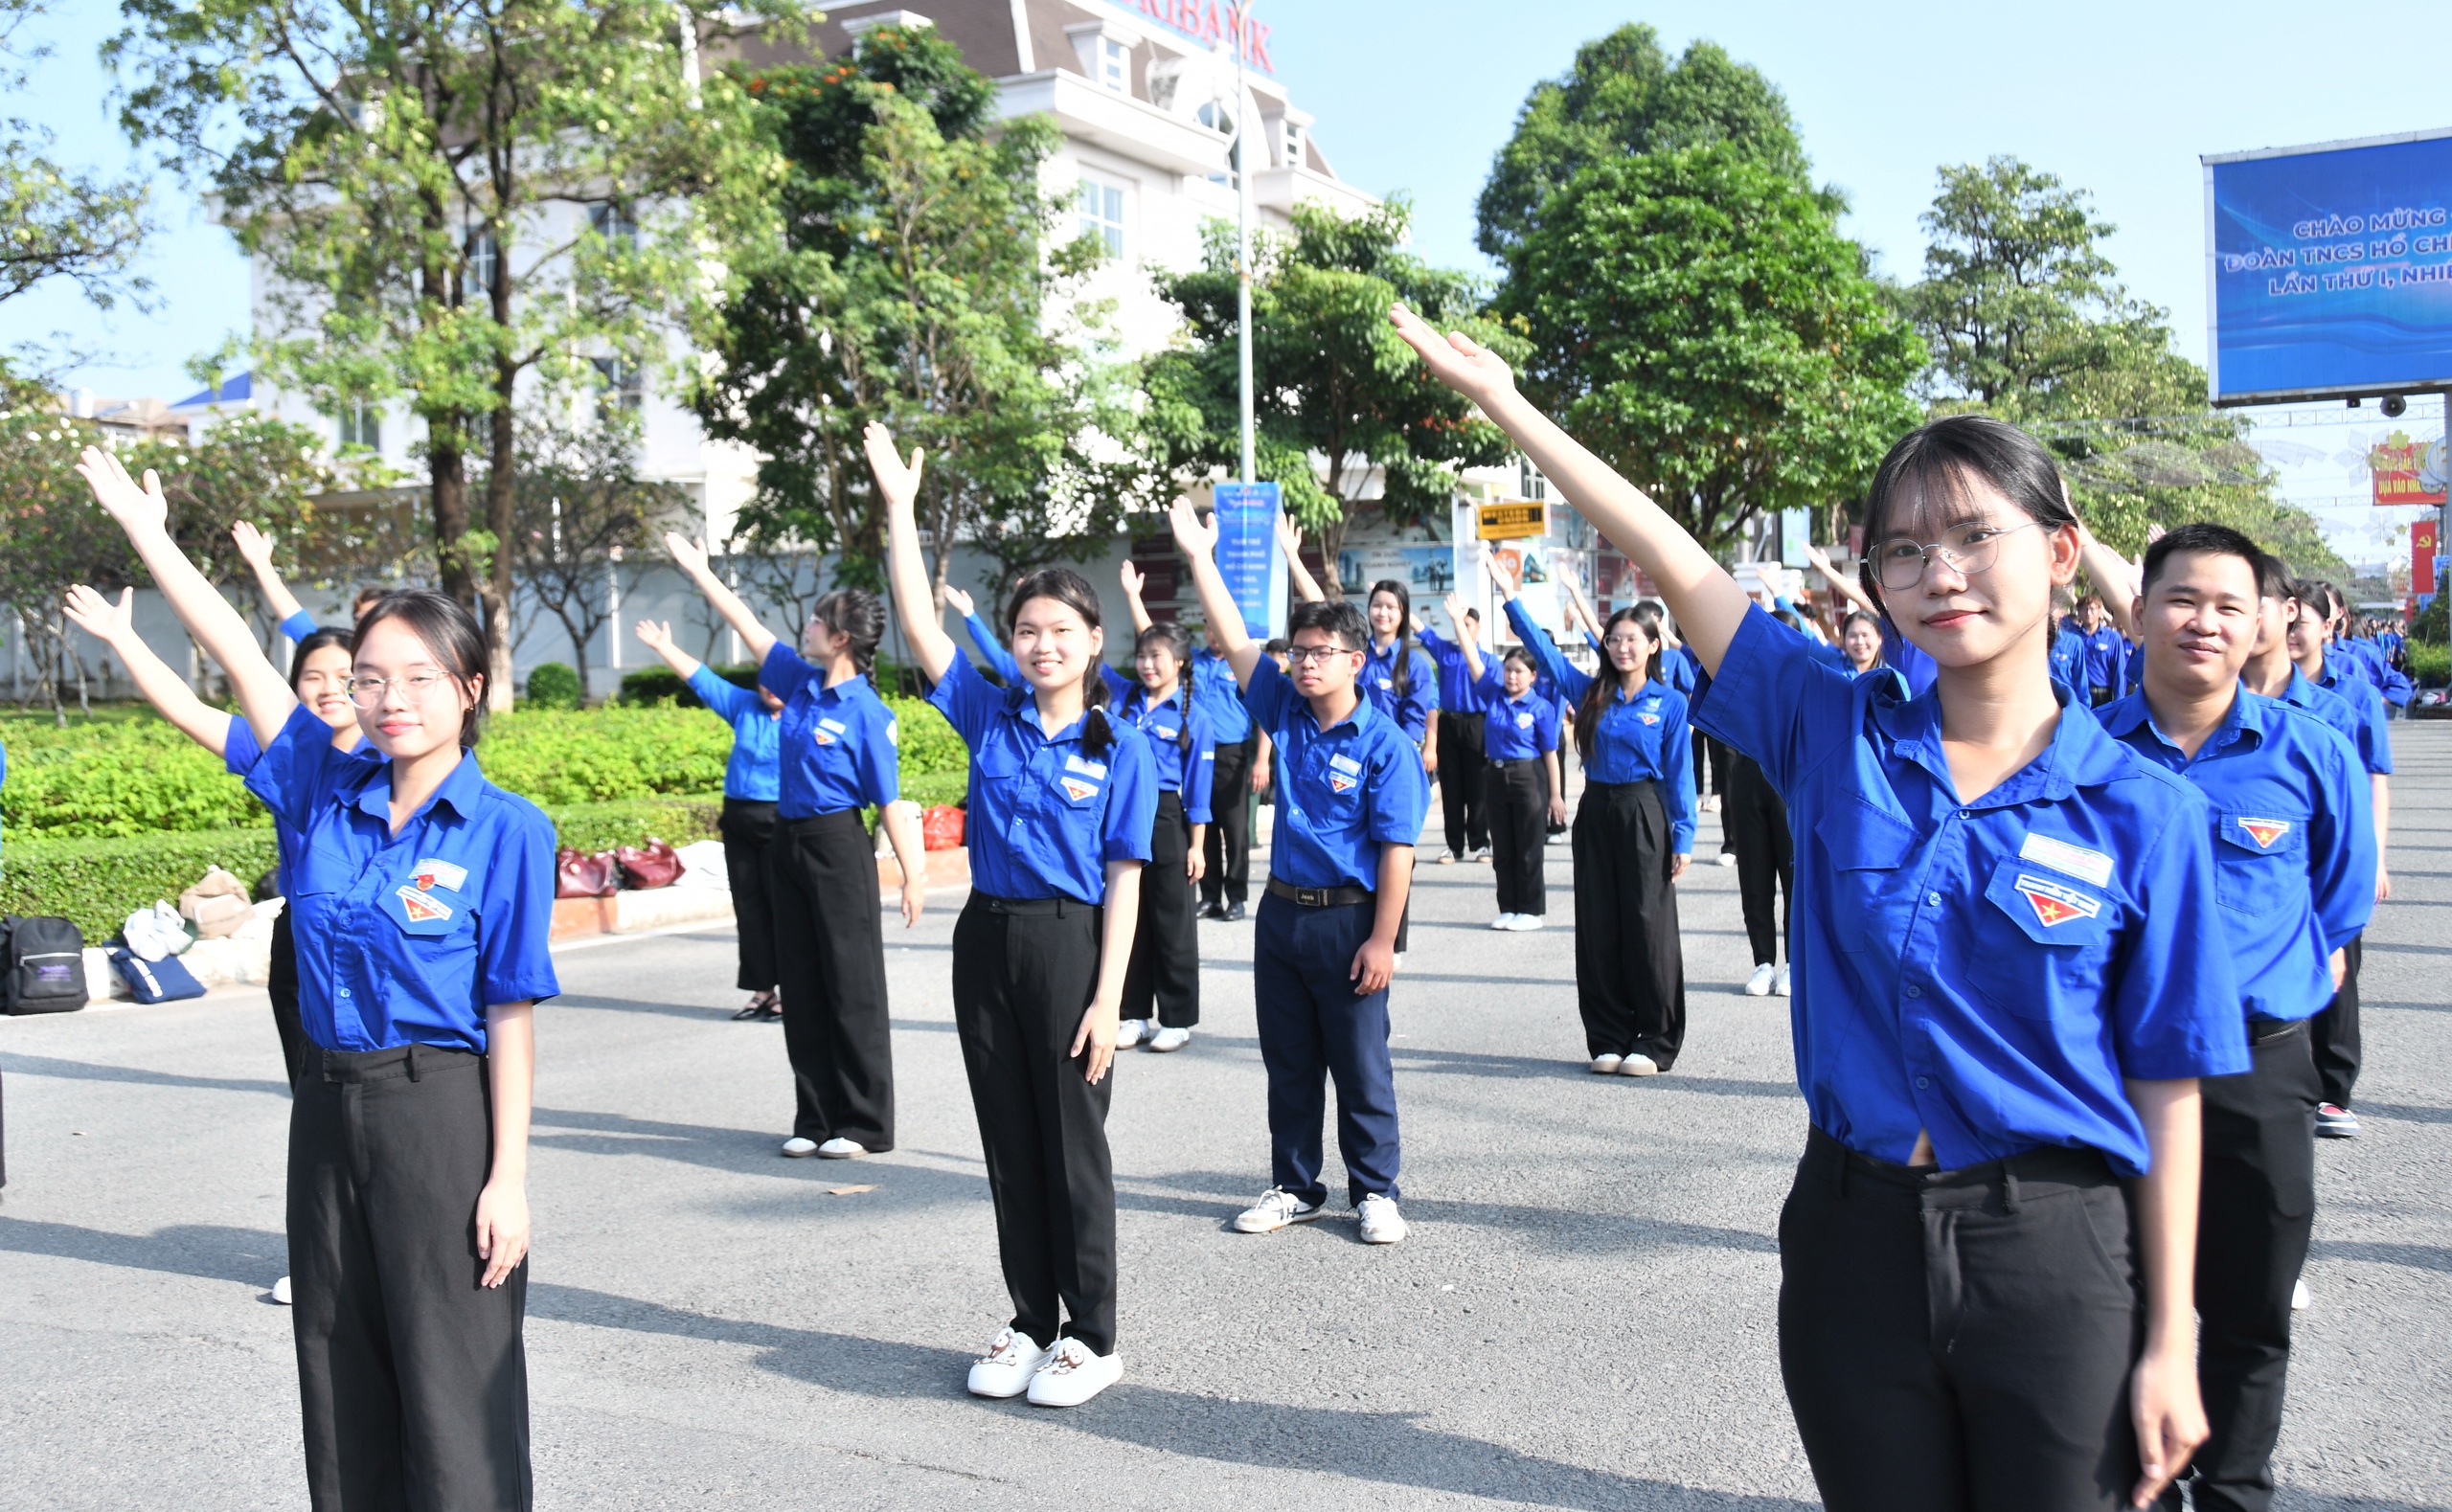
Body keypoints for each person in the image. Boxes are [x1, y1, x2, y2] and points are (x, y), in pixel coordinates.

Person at [1395, 310, 2243, 1512]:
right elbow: (1679, 561)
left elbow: (2170, 1082)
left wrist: (2170, 1336)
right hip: (1855, 1240)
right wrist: (1507, 406)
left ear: (2061, 554)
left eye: (1970, 535)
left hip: (2054, 1251)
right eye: (1902, 551)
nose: (1938, 573)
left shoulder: (2143, 811)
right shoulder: (1829, 728)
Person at [79, 447, 555, 1511]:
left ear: (469, 689)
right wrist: (150, 536)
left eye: (420, 678)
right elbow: (238, 650)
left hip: (441, 1112)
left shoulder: (507, 828)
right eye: (370, 678)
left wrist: (507, 1178)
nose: (390, 699)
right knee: (340, 1370)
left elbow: (509, 1007)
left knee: (455, 1377)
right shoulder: (317, 788)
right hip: (327, 1112)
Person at [868, 424, 1153, 1408]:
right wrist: (901, 507)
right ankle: (1032, 1318)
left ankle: (1094, 1334)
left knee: (1073, 1142)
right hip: (984, 937)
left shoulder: (1121, 744)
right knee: (1008, 1137)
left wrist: (1110, 997)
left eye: (1060, 631)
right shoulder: (989, 714)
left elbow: (1124, 877)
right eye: (1027, 630)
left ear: (1092, 643)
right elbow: (917, 625)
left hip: (1071, 943)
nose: (1041, 644)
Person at [2091, 526, 2373, 1512]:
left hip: (2261, 1067)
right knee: (2114, 1299)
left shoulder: (2310, 751)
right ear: (2136, 613)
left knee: (2252, 1309)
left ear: (2266, 621)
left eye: (2226, 604)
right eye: (2179, 599)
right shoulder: (2082, 749)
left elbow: (2338, 904)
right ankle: (2139, 1490)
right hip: (2117, 1072)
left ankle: (2235, 1490)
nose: (2202, 621)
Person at [62, 576, 363, 1309]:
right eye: (312, 676)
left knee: (386, 1110)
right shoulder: (291, 756)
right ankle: (328, 1263)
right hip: (306, 943)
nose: (328, 687)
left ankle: (393, 1253)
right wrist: (124, 638)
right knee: (318, 1105)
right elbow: (190, 706)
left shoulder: (405, 762)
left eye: (347, 676)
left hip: (380, 945)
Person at [1169, 493, 1428, 1246]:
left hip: (1349, 915)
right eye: (1300, 652)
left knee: (1359, 1059)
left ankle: (1375, 1188)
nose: (1305, 663)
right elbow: (1235, 637)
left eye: (1321, 653)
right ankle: (1295, 1182)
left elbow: (1398, 851)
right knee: (1288, 1058)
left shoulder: (1385, 744)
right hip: (1282, 915)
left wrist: (1382, 940)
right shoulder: (1283, 710)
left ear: (1357, 660)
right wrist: (1199, 559)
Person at [666, 538, 925, 1161]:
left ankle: (863, 1120)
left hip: (839, 844)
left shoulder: (867, 711)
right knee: (802, 982)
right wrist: (701, 571)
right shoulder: (797, 682)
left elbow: (888, 800)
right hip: (787, 839)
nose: (804, 627)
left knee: (850, 984)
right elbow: (747, 624)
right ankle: (815, 1115)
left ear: (839, 637)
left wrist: (913, 874)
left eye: (815, 619)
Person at [1482, 558, 1694, 1074]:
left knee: (1647, 923)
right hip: (1596, 810)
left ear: (1652, 646)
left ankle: (1654, 1037)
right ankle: (1608, 1035)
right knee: (1598, 923)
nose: (1622, 647)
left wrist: (1682, 835)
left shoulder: (1668, 704)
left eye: (1632, 639)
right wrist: (1512, 597)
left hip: (1644, 810)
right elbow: (1544, 654)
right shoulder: (1589, 692)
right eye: (1615, 639)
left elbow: (1678, 774)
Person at [632, 620, 786, 1021]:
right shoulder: (744, 707)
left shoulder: (806, 717)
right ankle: (762, 993)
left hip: (782, 822)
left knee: (783, 908)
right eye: (764, 682)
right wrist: (665, 647)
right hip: (738, 820)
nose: (770, 689)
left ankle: (794, 990)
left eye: (779, 682)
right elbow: (702, 679)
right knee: (749, 908)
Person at [2285, 581, 2392, 1140]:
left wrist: (2374, 854)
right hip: (2279, 847)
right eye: (2286, 618)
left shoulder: (2350, 695)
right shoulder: (2249, 688)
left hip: (2334, 847)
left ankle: (2334, 1087)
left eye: (2303, 620)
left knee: (2338, 963)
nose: (2291, 630)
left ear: (2328, 626)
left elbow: (2374, 777)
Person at [1109, 614, 1215, 1054]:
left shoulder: (1195, 716)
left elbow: (1200, 787)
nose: (1147, 664)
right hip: (1123, 813)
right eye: (1141, 655)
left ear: (1180, 662)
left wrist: (1198, 846)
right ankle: (1132, 1014)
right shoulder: (1127, 700)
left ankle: (1176, 1018)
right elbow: (1091, 661)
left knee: (1173, 920)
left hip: (1169, 818)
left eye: (1157, 656)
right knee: (1126, 916)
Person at [1443, 581, 1565, 932]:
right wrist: (1457, 623)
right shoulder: (1493, 695)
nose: (1511, 676)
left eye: (1519, 672)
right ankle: (1508, 906)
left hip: (1528, 777)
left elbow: (1550, 753)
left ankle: (1530, 910)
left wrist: (1555, 795)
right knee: (1504, 847)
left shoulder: (1540, 707)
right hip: (1494, 776)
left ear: (1532, 676)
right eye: (1508, 670)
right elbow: (1472, 660)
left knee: (1528, 845)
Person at [1415, 603, 1490, 863]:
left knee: (1478, 787)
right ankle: (1454, 845)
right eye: (1458, 624)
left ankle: (1481, 844)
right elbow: (1421, 629)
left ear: (1478, 627)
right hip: (1449, 725)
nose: (1462, 629)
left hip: (1478, 725)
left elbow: (1497, 703)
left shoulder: (1488, 660)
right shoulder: (1445, 651)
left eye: (1467, 624)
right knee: (1451, 788)